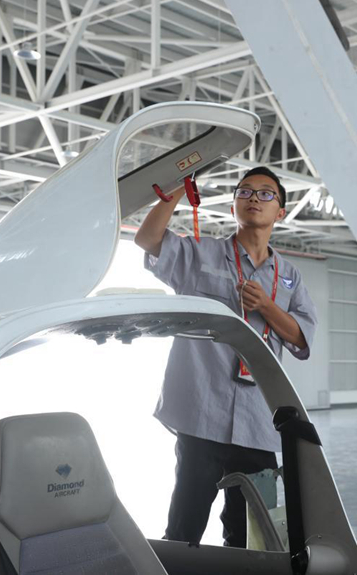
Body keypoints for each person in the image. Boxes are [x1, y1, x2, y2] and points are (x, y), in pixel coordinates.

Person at [134, 166, 318, 548]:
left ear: (280, 212)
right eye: (244, 191)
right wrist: (175, 191)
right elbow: (148, 240)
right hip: (202, 415)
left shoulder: (290, 277)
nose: (254, 198)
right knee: (184, 530)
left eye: (266, 193)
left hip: (259, 424)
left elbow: (301, 339)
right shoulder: (201, 254)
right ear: (233, 204)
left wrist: (267, 307)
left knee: (254, 538)